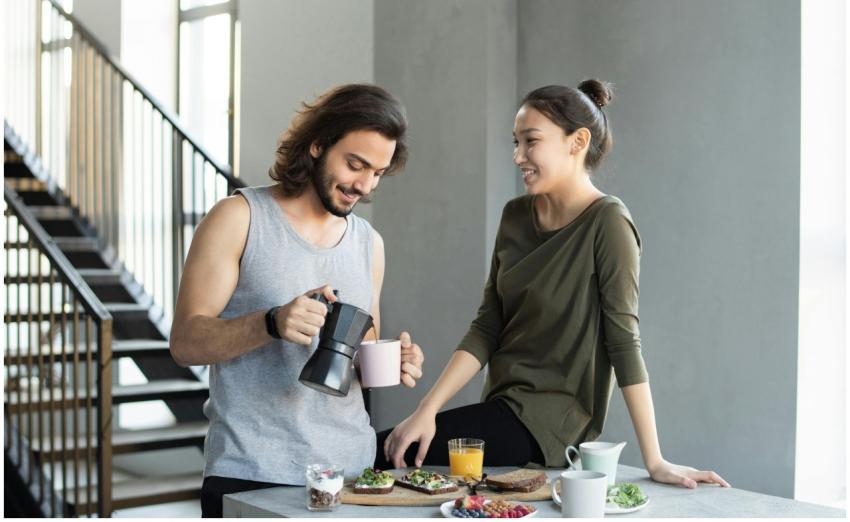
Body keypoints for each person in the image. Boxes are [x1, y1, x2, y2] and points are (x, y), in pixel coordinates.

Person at [377, 80, 729, 490]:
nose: (517, 156)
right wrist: (427, 410)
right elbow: (487, 327)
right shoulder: (514, 217)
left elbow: (623, 342)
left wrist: (655, 459)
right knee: (394, 448)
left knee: (382, 450)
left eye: (531, 142)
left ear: (577, 141)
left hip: (548, 427)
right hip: (502, 410)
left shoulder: (608, 223)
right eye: (515, 142)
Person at [170, 84, 425, 517]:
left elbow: (361, 353)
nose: (363, 185)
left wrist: (395, 359)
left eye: (377, 173)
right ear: (317, 144)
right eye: (355, 164)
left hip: (353, 474)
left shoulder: (369, 243)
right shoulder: (239, 218)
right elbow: (186, 342)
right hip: (252, 473)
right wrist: (270, 323)